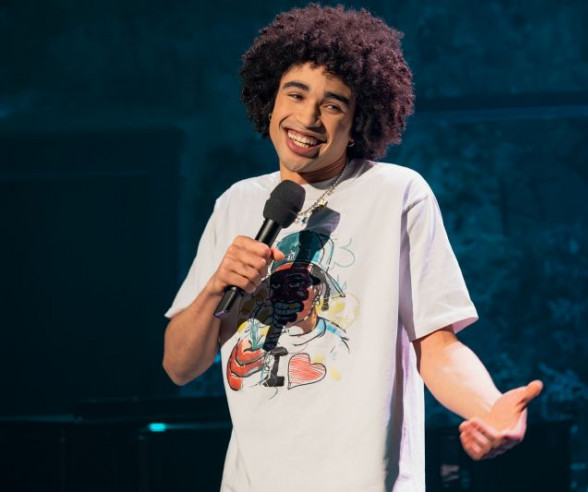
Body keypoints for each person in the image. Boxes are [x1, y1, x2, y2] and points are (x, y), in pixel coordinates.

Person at [162, 4, 542, 491]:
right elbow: (179, 366)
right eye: (295, 94)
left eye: (333, 104)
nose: (307, 117)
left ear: (358, 120)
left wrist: (490, 408)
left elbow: (437, 347)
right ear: (270, 99)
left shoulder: (396, 194)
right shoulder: (236, 203)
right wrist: (217, 286)